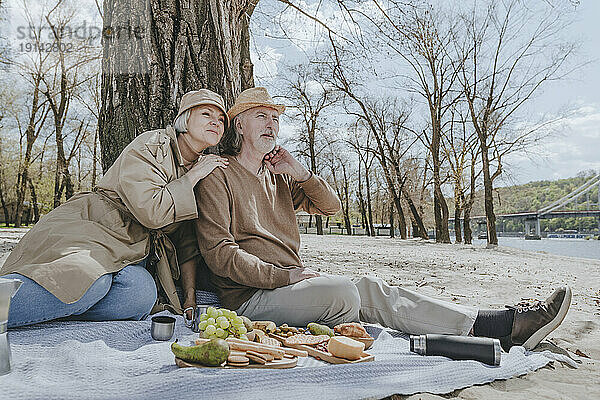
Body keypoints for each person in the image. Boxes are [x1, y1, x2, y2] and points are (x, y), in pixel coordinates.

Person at [188, 86, 572, 351]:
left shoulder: (280, 176)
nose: (271, 123)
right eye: (261, 116)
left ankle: (494, 325)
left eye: (275, 117)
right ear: (239, 125)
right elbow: (220, 254)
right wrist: (283, 276)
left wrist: (302, 173)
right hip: (251, 297)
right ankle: (491, 328)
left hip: (292, 287)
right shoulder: (218, 176)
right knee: (344, 291)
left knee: (368, 288)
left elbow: (331, 207)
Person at [1, 89, 230, 328]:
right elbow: (151, 212)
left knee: (139, 296)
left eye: (222, 119)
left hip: (132, 251)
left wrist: (190, 296)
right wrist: (193, 177)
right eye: (206, 114)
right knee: (88, 281)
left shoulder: (203, 171)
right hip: (98, 226)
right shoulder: (154, 144)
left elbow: (186, 243)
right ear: (185, 119)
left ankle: (58, 308)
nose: (216, 121)